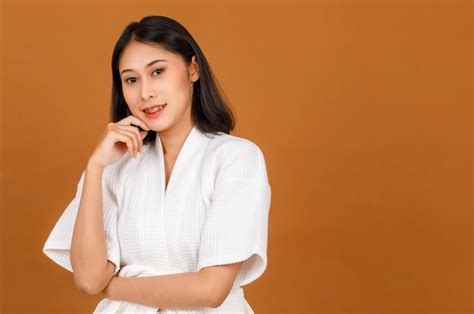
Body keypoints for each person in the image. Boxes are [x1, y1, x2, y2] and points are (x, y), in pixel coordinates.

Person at [42, 15, 271, 313]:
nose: (145, 92)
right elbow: (87, 279)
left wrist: (113, 286)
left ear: (193, 69)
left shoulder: (236, 158)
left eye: (158, 71)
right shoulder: (115, 168)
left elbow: (211, 290)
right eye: (131, 79)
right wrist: (95, 168)